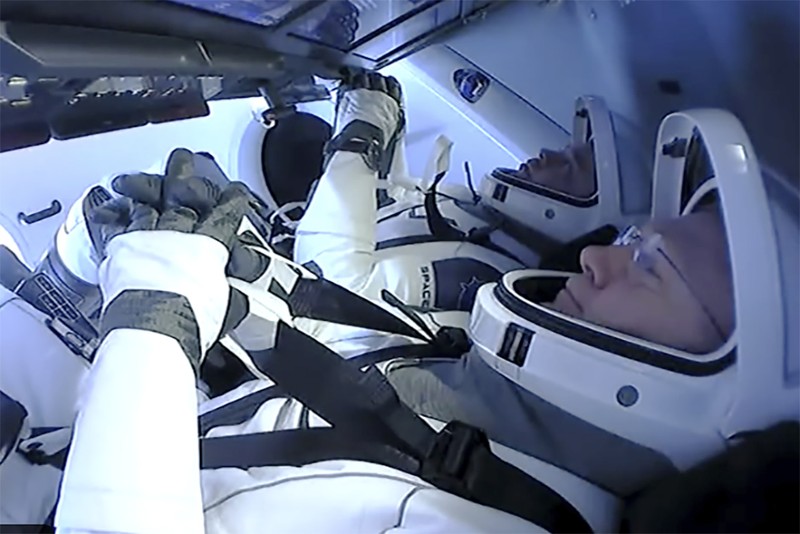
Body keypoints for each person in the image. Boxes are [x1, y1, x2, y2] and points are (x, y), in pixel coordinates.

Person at [1, 73, 796, 532]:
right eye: (628, 240)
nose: (596, 254)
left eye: (650, 265)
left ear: (712, 372)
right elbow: (325, 359)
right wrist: (223, 279)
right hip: (52, 452)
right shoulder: (490, 397)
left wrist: (150, 322)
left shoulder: (485, 520)